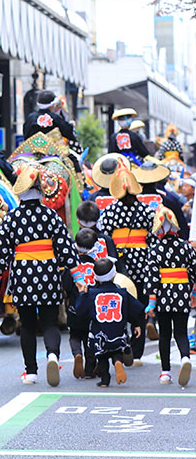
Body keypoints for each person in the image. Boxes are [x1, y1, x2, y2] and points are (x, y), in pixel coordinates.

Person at [0, 165, 83, 385]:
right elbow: (66, 248)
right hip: (48, 272)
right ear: (40, 192)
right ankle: (52, 355)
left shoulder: (12, 218)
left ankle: (31, 371)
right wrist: (78, 278)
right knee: (49, 322)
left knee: (28, 325)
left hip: (22, 275)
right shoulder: (51, 215)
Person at [95, 154, 154, 363]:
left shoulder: (110, 211)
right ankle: (137, 351)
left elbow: (104, 237)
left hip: (118, 263)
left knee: (119, 304)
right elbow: (153, 238)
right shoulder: (147, 211)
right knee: (140, 304)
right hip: (143, 262)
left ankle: (121, 346)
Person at [74, 258, 145, 386]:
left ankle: (105, 380)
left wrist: (82, 294)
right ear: (114, 274)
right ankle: (118, 361)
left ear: (95, 277)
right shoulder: (122, 292)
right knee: (116, 350)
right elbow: (134, 310)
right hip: (118, 331)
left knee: (101, 356)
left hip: (99, 332)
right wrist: (136, 324)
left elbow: (79, 311)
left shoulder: (91, 294)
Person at [146, 208, 196, 385]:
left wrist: (151, 302)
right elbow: (193, 271)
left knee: (165, 334)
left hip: (163, 295)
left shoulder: (154, 249)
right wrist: (191, 290)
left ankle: (165, 373)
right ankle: (184, 358)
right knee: (181, 332)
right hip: (182, 292)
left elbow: (152, 277)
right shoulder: (185, 247)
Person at [66, 228, 104, 379]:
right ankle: (89, 370)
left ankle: (77, 354)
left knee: (75, 335)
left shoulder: (73, 266)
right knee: (91, 337)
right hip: (92, 309)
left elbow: (67, 285)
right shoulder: (97, 265)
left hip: (75, 306)